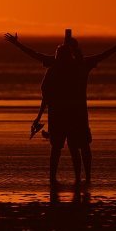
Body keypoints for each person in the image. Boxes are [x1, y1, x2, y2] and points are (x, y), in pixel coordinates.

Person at [6, 32, 116, 184]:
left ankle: (78, 177)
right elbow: (35, 55)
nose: (58, 57)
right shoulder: (69, 65)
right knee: (66, 147)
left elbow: (35, 55)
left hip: (72, 115)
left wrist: (17, 44)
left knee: (75, 147)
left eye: (60, 54)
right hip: (67, 115)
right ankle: (67, 178)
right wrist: (17, 44)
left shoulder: (71, 65)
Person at [31, 44, 84, 185]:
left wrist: (39, 117)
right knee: (69, 148)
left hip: (62, 115)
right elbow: (46, 97)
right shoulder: (73, 71)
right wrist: (38, 117)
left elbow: (45, 97)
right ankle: (72, 178)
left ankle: (59, 178)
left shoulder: (57, 71)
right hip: (67, 115)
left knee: (61, 148)